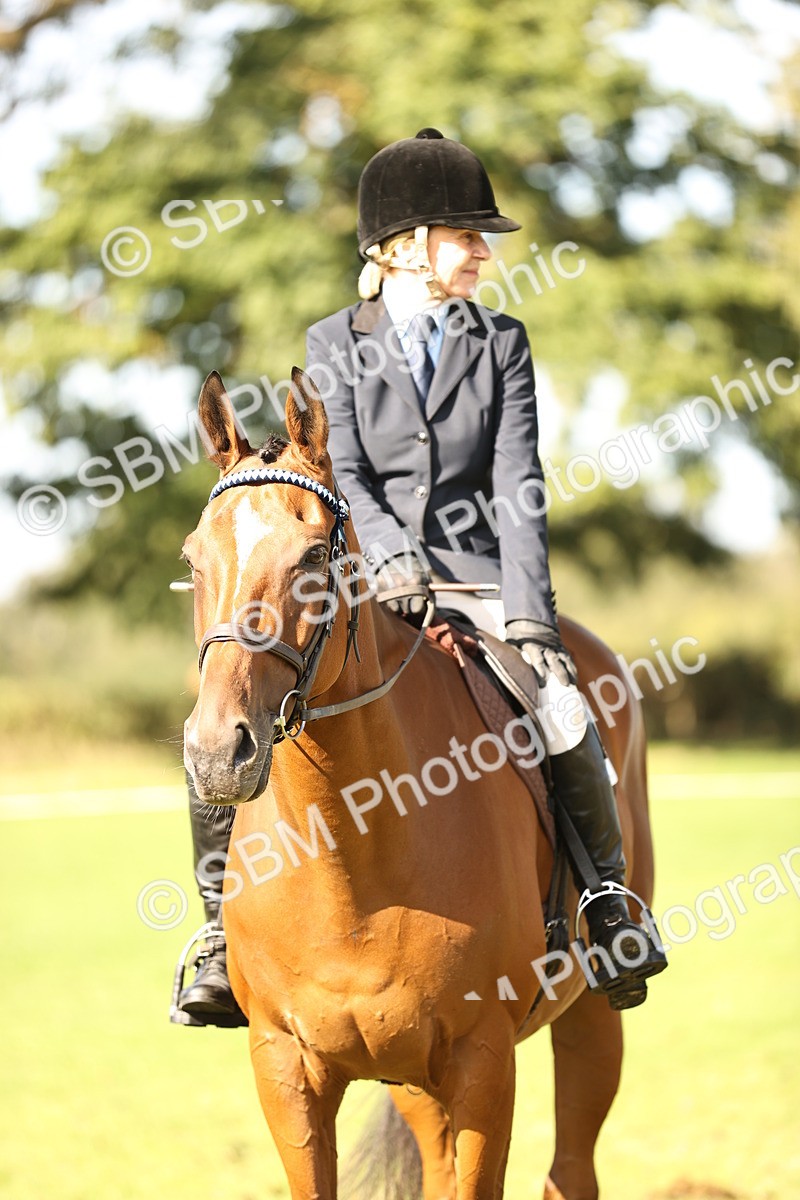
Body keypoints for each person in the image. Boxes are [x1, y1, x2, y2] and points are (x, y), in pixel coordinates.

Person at [174, 128, 666, 1024]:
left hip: (480, 582)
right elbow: (345, 473)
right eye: (465, 235)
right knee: (226, 709)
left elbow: (518, 485)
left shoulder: (502, 342)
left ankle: (605, 901)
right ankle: (216, 931)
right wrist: (394, 556)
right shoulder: (335, 340)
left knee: (563, 705)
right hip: (371, 584)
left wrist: (533, 620)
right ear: (403, 247)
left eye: (482, 238)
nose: (484, 252)